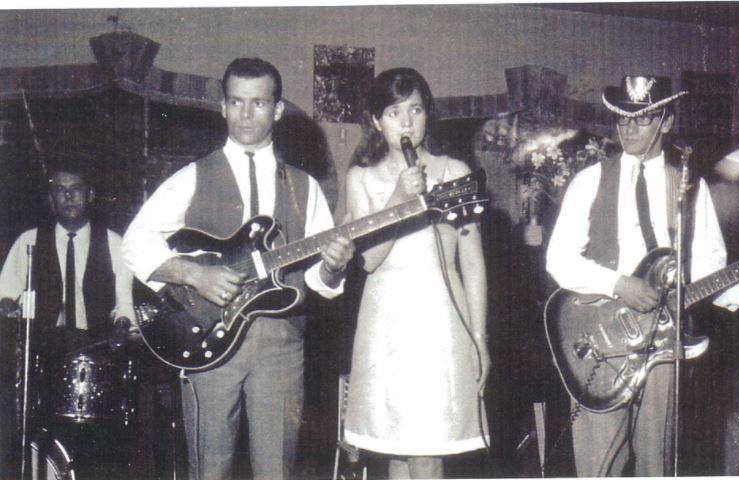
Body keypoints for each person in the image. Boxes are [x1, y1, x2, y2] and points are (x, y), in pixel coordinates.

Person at [122, 57, 354, 480]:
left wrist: (334, 268)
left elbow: (319, 281)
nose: (246, 114)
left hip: (282, 343)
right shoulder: (192, 176)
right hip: (206, 335)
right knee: (209, 470)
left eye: (259, 103)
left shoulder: (305, 187)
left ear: (277, 110)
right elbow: (135, 241)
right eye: (236, 101)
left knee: (276, 471)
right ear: (223, 107)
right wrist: (194, 275)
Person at [545, 74, 739, 477]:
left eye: (643, 118)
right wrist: (619, 284)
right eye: (623, 118)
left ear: (667, 122)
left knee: (658, 464)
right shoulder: (589, 180)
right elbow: (558, 259)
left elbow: (708, 270)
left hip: (665, 349)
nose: (629, 128)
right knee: (599, 468)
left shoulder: (690, 188)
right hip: (601, 343)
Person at [342, 67, 490, 479]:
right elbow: (370, 260)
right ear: (376, 121)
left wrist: (480, 339)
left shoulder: (455, 171)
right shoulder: (361, 178)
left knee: (428, 447)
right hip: (385, 321)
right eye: (394, 112)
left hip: (441, 318)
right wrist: (399, 199)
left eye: (415, 110)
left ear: (428, 115)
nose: (406, 122)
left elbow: (472, 261)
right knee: (396, 446)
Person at [0, 157, 136, 478]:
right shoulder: (29, 241)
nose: (69, 197)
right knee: (39, 443)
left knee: (98, 452)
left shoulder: (116, 243)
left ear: (90, 195)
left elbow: (125, 304)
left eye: (76, 189)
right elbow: (5, 293)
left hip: (98, 354)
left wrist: (122, 324)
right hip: (42, 356)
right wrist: (8, 305)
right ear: (51, 199)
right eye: (60, 190)